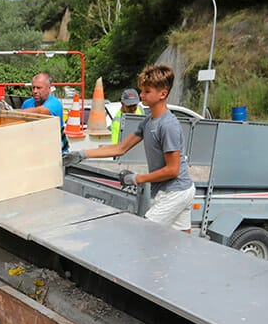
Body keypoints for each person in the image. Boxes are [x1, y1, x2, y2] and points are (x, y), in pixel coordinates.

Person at [63, 64, 194, 232]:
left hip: (175, 192)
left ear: (163, 93)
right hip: (179, 191)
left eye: (147, 91)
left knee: (144, 232)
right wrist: (82, 154)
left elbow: (173, 170)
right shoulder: (149, 121)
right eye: (142, 90)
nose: (141, 95)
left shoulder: (168, 125)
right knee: (182, 243)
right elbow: (120, 148)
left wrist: (137, 178)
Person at [20, 72, 69, 151]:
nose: (35, 91)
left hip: (57, 152)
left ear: (49, 88)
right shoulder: (27, 104)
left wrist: (12, 112)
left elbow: (40, 112)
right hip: (35, 149)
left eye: (39, 88)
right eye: (33, 88)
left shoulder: (55, 103)